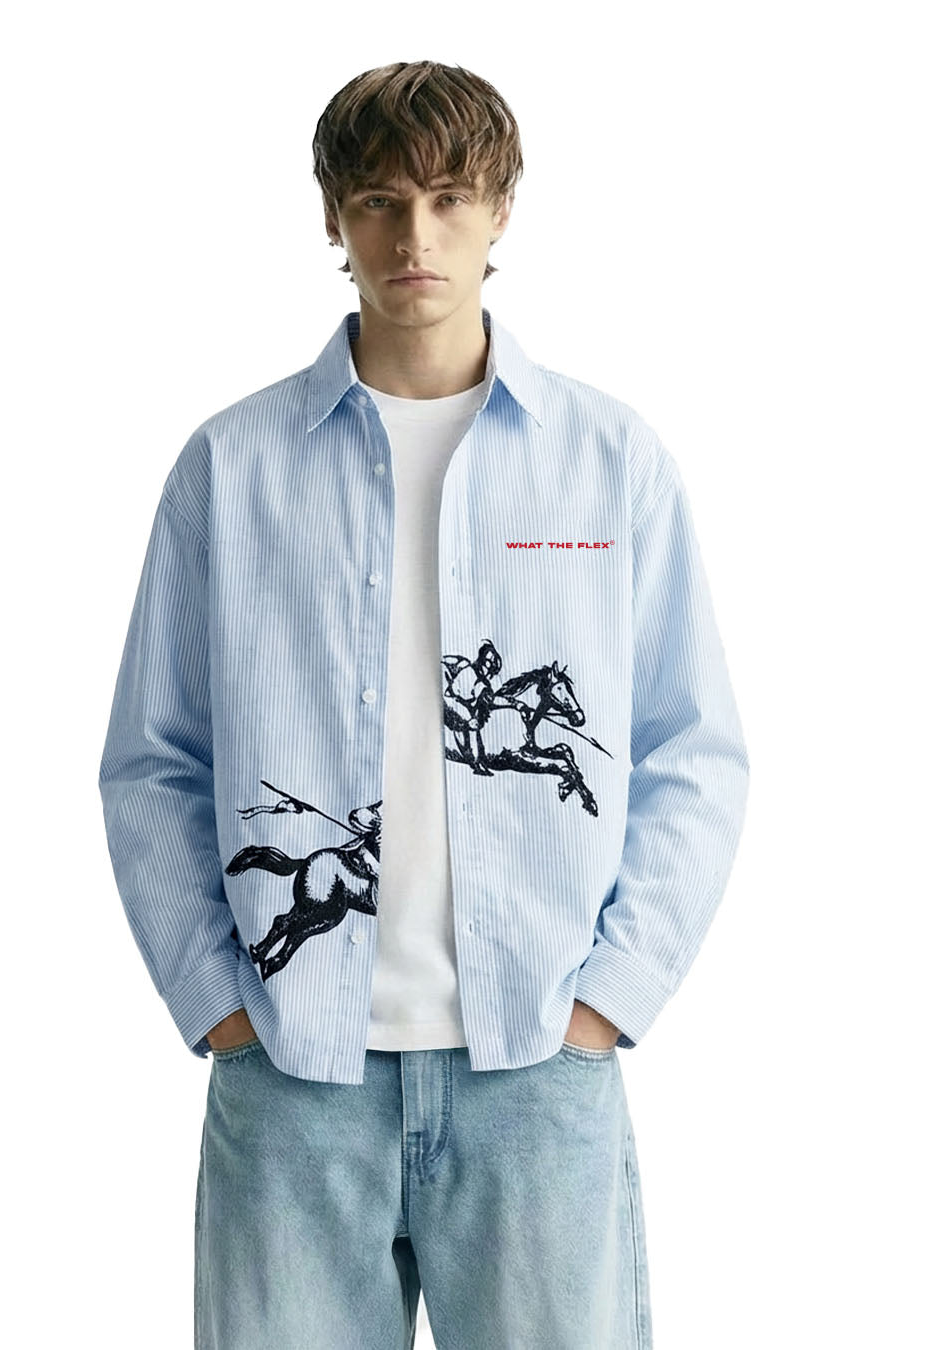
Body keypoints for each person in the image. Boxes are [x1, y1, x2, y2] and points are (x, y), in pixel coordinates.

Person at [98, 59, 749, 1350]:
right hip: (293, 1079)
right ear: (334, 218)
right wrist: (218, 1002)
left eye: (450, 199)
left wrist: (608, 999)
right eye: (381, 201)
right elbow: (154, 760)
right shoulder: (231, 468)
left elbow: (694, 749)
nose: (416, 236)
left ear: (501, 211)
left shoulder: (609, 461)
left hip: (537, 1078)